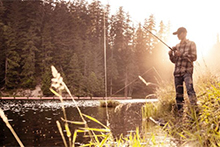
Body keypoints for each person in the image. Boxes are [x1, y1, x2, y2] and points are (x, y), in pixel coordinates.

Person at [168, 27, 197, 113]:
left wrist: (182, 54)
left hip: (187, 71)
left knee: (190, 90)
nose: (177, 36)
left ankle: (195, 111)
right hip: (177, 73)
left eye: (178, 34)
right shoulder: (177, 46)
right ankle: (180, 113)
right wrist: (170, 55)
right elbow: (174, 61)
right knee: (178, 95)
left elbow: (194, 57)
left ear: (184, 33)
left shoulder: (191, 44)